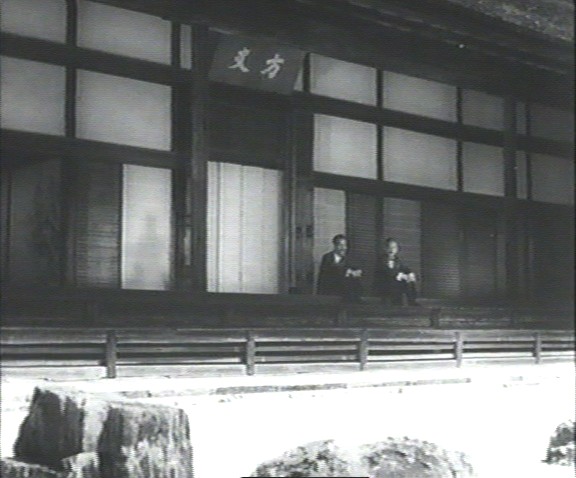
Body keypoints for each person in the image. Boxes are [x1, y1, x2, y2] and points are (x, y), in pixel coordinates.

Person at [317, 234, 363, 302]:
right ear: (335, 245)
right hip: (329, 294)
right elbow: (326, 274)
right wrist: (347, 272)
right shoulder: (327, 257)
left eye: (345, 245)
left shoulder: (351, 259)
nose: (344, 248)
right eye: (340, 245)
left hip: (345, 296)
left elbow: (357, 275)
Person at [373, 238, 419, 306]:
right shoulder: (381, 260)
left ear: (397, 249)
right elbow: (384, 272)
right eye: (389, 247)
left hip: (396, 283)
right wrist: (399, 275)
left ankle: (412, 300)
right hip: (385, 283)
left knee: (410, 279)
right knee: (402, 280)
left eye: (394, 247)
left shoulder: (397, 260)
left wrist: (410, 273)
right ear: (385, 248)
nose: (391, 250)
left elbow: (405, 268)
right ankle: (401, 301)